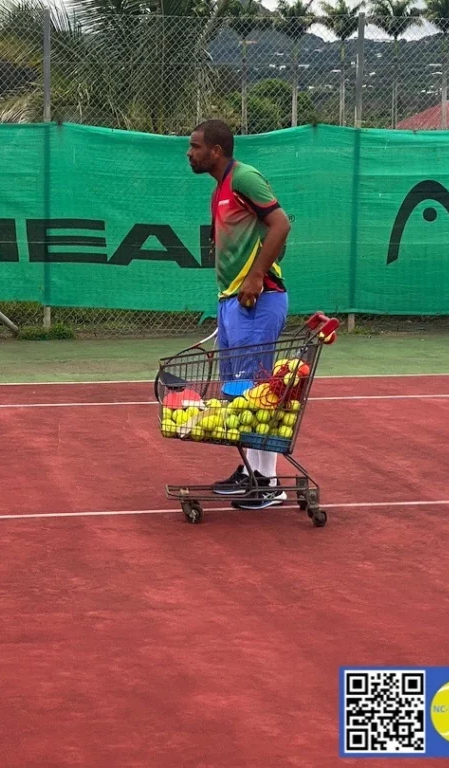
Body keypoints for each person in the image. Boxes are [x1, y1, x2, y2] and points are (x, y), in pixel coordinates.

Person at [187, 119, 292, 510]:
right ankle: (252, 471)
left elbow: (280, 224)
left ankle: (270, 483)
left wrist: (256, 276)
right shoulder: (219, 190)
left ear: (216, 151)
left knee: (256, 394)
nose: (189, 153)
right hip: (232, 302)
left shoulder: (246, 178)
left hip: (258, 300)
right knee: (238, 394)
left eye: (195, 146)